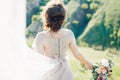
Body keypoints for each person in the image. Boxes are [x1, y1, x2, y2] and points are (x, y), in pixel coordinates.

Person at [32, 0, 93, 80]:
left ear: (46, 17)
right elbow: (77, 54)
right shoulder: (69, 34)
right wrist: (86, 62)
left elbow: (39, 60)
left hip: (49, 73)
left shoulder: (41, 37)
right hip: (65, 72)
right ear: (63, 19)